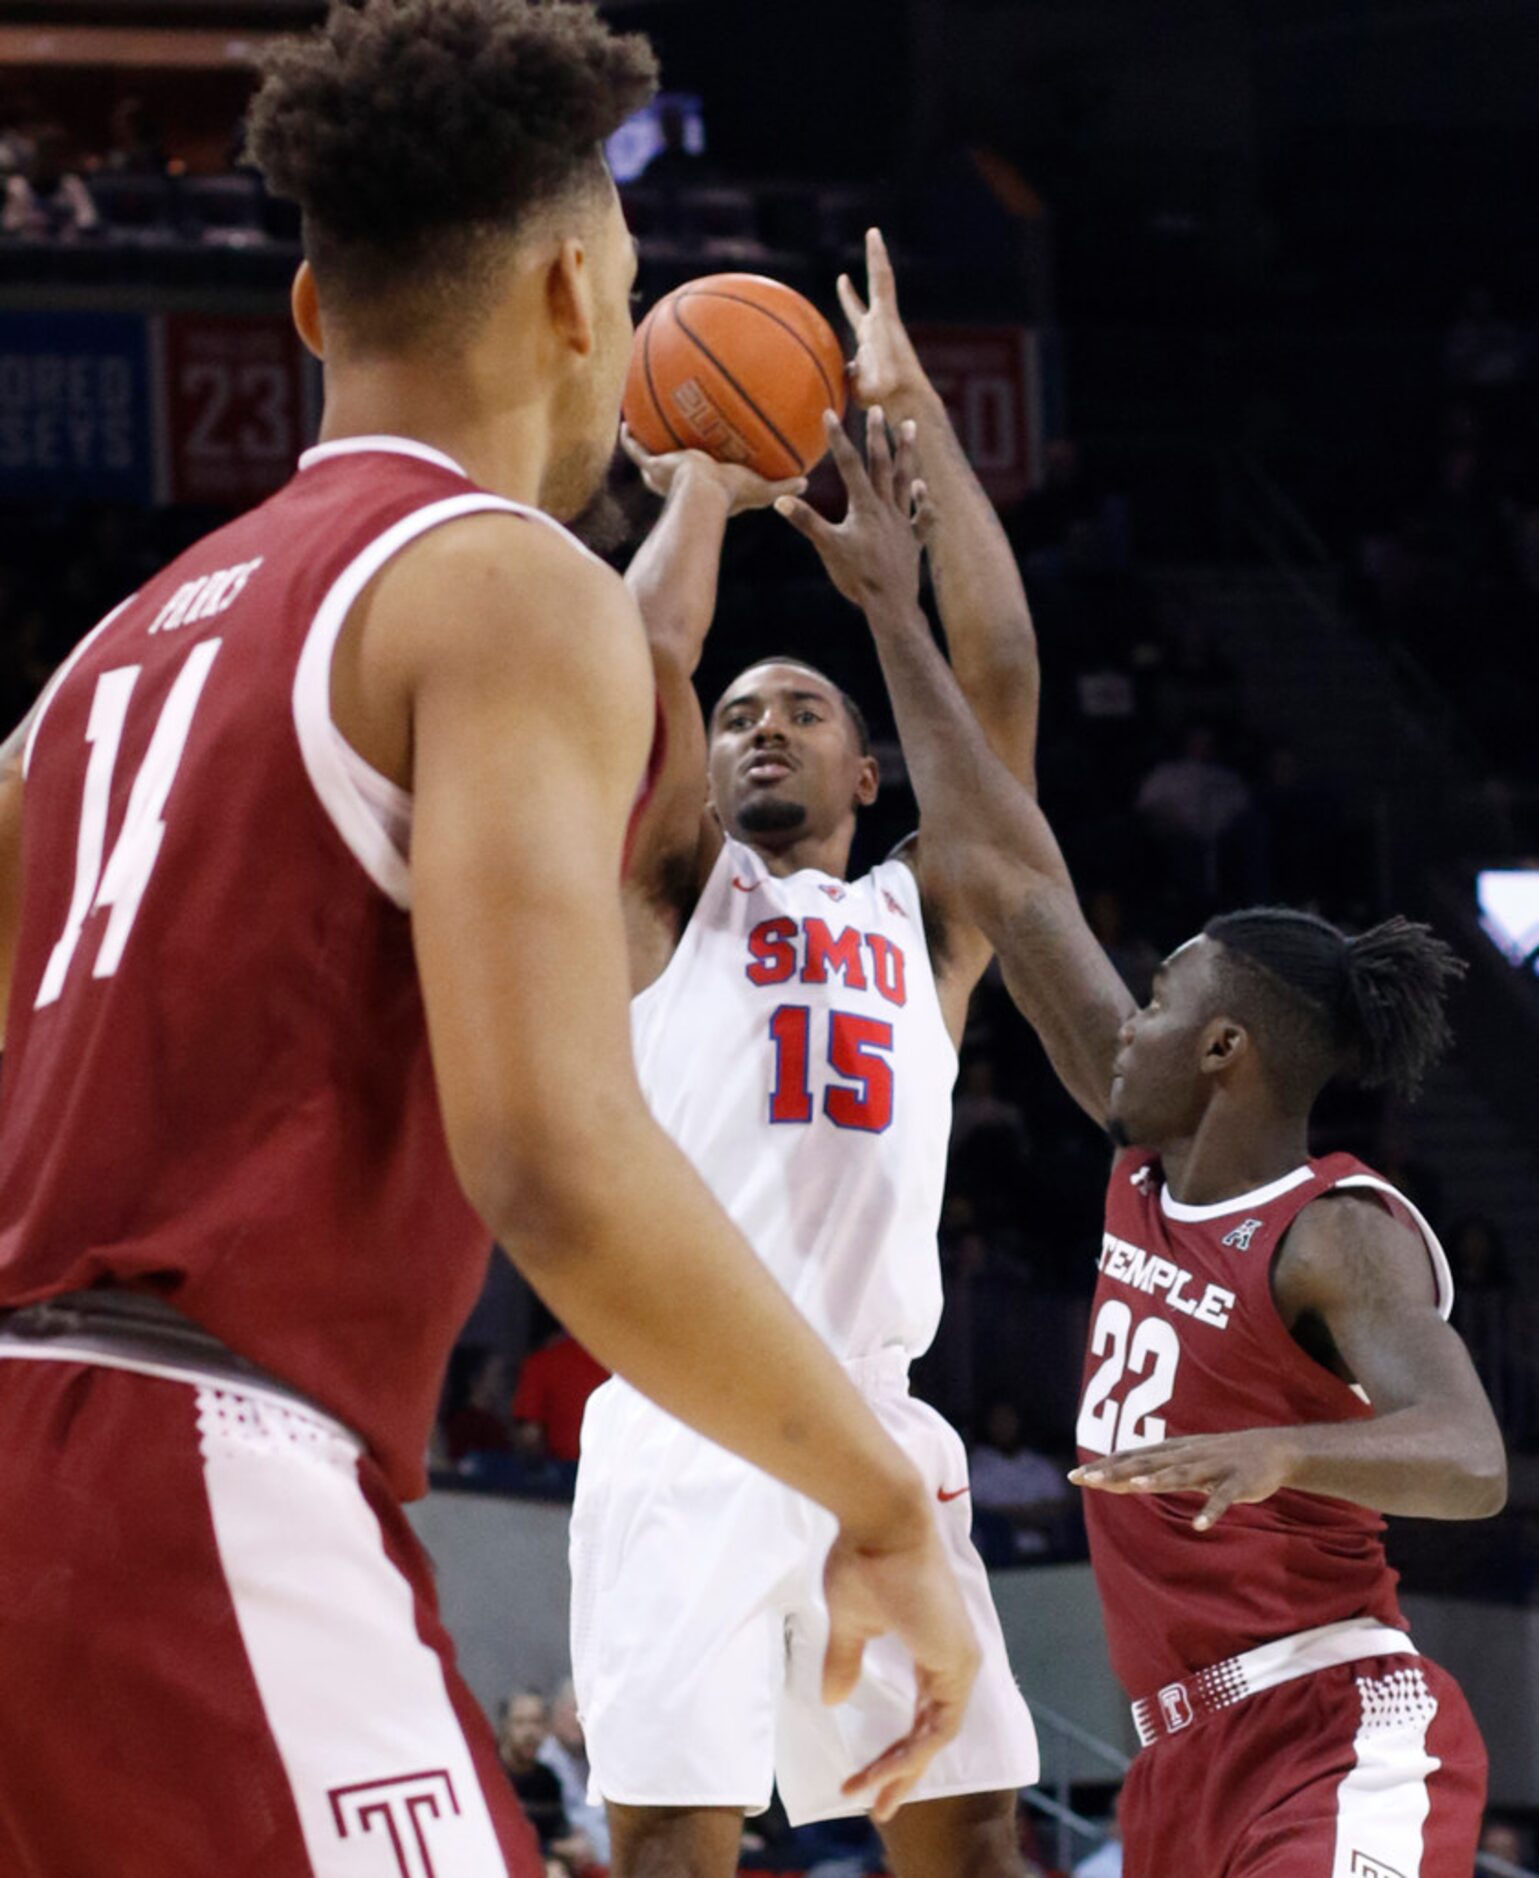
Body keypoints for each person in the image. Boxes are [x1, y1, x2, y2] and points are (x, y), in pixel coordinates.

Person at [0, 7, 982, 1873]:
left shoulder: (97, 665)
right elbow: (547, 1149)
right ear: (568, 296)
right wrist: (874, 1499)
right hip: (203, 1468)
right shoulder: (501, 586)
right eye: (619, 289)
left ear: (305, 312)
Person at [841, 554, 1509, 1876]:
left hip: (1332, 1724)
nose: (1122, 1018)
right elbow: (989, 853)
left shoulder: (1333, 1228)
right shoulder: (1138, 1148)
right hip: (1176, 1763)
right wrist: (879, 599)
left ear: (1220, 1050)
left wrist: (1278, 1449)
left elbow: (1467, 1456)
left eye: (1153, 997)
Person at [572, 228, 1039, 1878]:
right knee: (672, 1844)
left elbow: (989, 685)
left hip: (869, 1411)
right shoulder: (672, 896)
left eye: (802, 709)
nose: (758, 720)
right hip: (689, 1411)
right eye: (737, 712)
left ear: (862, 775)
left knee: (968, 1836)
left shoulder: (923, 922)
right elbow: (630, 677)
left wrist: (914, 434)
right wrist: (696, 476)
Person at [499, 1689, 591, 1874]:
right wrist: (554, 1849)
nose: (530, 1732)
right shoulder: (494, 1776)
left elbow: (559, 1834)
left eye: (537, 1722)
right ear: (505, 1726)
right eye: (520, 1722)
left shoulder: (548, 1780)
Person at [539, 1679, 611, 1870]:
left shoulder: (599, 1760)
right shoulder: (543, 1766)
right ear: (555, 1713)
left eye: (588, 1712)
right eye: (574, 1710)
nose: (581, 1719)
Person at [511, 1328, 608, 1462]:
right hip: (613, 1471)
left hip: (559, 1472)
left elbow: (530, 1436)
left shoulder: (542, 1361)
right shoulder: (626, 1364)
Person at [2, 123, 97, 238]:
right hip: (29, 251)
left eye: (56, 154)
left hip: (67, 250)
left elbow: (88, 220)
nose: (51, 159)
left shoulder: (72, 184)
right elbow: (11, 224)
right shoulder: (18, 185)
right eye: (46, 153)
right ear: (37, 154)